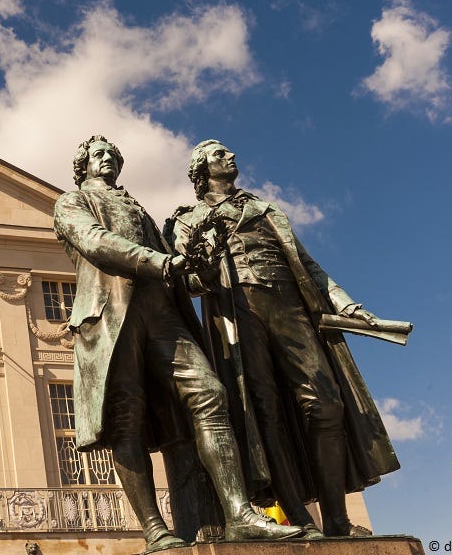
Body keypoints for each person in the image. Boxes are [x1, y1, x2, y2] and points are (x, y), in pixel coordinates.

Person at [53, 135, 301, 552]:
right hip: (110, 316)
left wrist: (199, 271)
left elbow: (180, 272)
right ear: (84, 167)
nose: (108, 160)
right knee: (125, 419)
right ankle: (154, 529)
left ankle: (240, 515)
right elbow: (97, 242)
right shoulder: (71, 203)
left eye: (113, 155)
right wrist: (162, 263)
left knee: (210, 394)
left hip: (164, 314)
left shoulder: (139, 209)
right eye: (99, 156)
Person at [168, 139, 400, 538]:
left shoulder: (265, 208)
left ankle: (337, 517)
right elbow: (187, 280)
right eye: (220, 154)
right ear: (201, 169)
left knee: (327, 404)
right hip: (238, 314)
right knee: (264, 412)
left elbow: (308, 264)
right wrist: (201, 258)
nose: (232, 156)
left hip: (291, 306)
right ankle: (300, 519)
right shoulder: (187, 218)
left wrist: (345, 304)